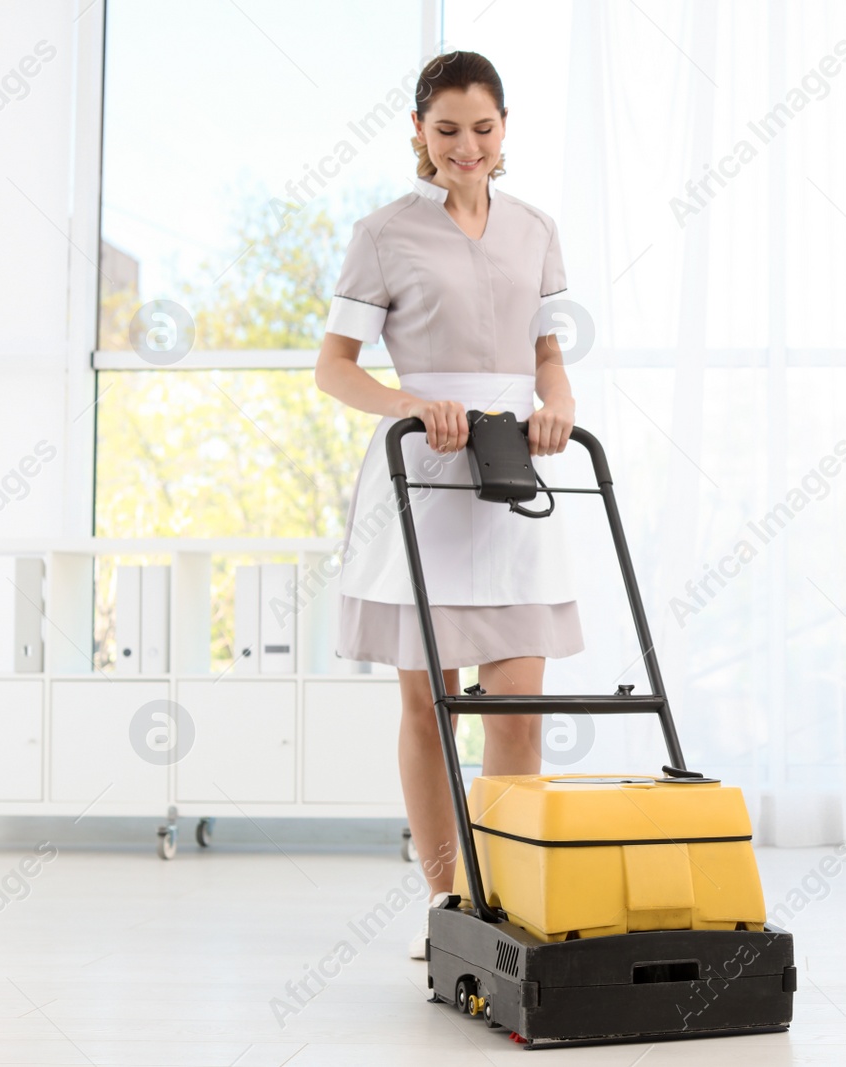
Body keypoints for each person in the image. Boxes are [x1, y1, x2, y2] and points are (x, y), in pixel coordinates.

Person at [315, 51, 581, 959]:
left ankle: (508, 897)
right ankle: (449, 901)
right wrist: (412, 404)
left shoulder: (536, 229)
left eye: (483, 128)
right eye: (447, 130)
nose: (466, 147)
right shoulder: (384, 232)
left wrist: (562, 406)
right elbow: (334, 368)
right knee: (430, 706)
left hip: (511, 475)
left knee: (516, 711)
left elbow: (547, 350)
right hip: (422, 481)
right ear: (419, 135)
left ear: (505, 130)